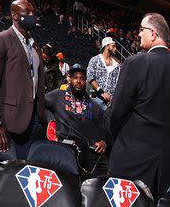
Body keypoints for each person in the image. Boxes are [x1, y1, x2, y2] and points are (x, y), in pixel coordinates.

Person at [108, 13, 170, 197]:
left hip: (132, 158)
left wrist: (114, 140)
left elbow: (116, 113)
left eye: (141, 30)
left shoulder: (136, 63)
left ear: (152, 34)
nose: (139, 34)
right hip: (165, 163)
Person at [0, 0, 45, 159]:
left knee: (25, 167)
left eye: (34, 13)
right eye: (27, 12)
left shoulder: (34, 45)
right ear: (15, 15)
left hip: (34, 117)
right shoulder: (0, 39)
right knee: (7, 170)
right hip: (9, 118)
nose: (33, 16)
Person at [45, 64, 110, 178]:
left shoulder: (95, 106)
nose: (78, 81)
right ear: (69, 79)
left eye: (82, 78)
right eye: (75, 77)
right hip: (65, 147)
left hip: (90, 152)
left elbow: (103, 129)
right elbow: (40, 104)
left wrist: (103, 142)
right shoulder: (58, 96)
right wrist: (51, 120)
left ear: (86, 82)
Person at [86, 37, 120, 110]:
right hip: (95, 99)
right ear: (107, 46)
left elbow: (117, 84)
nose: (115, 49)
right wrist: (101, 91)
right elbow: (90, 76)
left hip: (109, 104)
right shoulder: (95, 60)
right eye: (113, 46)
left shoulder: (117, 66)